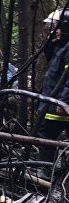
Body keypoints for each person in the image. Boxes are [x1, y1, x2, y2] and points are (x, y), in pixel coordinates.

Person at [35, 38, 69, 172]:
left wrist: (65, 101)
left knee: (46, 134)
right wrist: (51, 42)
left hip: (60, 103)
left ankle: (47, 171)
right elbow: (49, 55)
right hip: (53, 99)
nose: (53, 29)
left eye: (57, 26)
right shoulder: (60, 46)